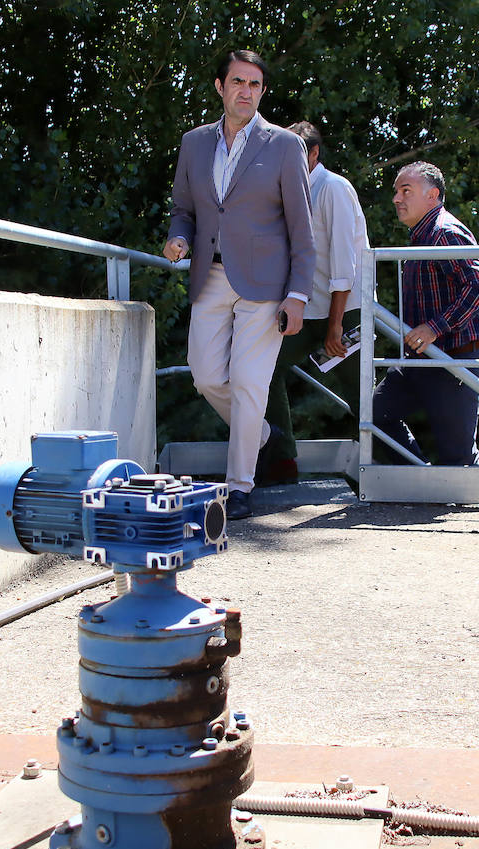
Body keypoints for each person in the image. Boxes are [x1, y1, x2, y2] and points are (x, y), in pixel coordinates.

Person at [163, 50, 316, 519]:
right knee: (206, 374)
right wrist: (178, 237)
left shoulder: (284, 146)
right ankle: (263, 436)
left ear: (262, 92)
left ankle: (240, 486)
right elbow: (183, 209)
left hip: (267, 285)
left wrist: (297, 293)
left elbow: (301, 228)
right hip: (209, 274)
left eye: (255, 84)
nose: (246, 91)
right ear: (219, 86)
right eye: (237, 82)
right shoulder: (194, 144)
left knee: (250, 384)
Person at [258, 121, 369, 486]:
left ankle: (387, 470)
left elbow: (344, 266)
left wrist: (336, 326)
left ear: (315, 153)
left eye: (297, 152)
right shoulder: (288, 193)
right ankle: (281, 460)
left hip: (344, 310)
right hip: (307, 310)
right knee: (262, 369)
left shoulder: (333, 188)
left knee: (362, 397)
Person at [372, 161, 479, 466]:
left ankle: (467, 507)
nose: (396, 199)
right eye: (396, 192)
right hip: (422, 360)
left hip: (454, 360)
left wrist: (434, 328)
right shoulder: (422, 235)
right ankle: (422, 479)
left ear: (433, 195)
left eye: (406, 190)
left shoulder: (443, 232)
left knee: (459, 460)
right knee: (373, 416)